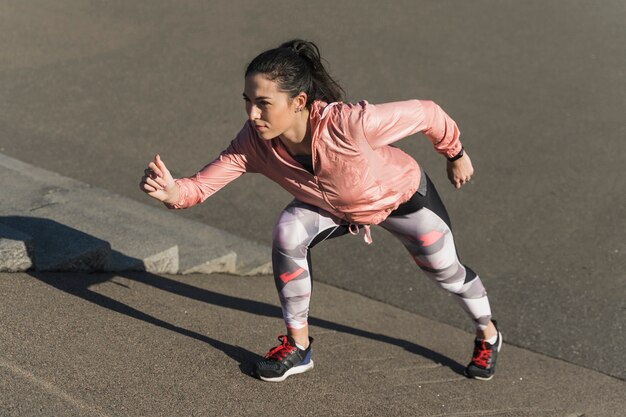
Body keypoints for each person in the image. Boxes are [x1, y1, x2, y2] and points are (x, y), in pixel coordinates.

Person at [140, 39, 502, 383]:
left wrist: (455, 154)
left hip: (402, 198)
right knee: (289, 230)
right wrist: (173, 191)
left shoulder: (348, 124)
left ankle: (488, 333)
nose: (252, 114)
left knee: (447, 273)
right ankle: (298, 347)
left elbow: (428, 113)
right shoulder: (252, 144)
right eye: (247, 100)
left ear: (298, 101)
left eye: (263, 103)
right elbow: (199, 187)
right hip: (334, 209)